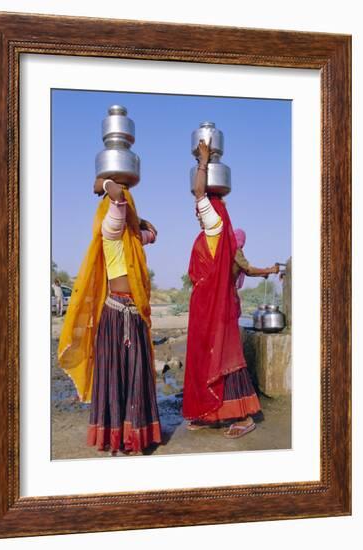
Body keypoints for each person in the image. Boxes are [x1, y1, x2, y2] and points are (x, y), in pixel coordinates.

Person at [58, 176, 162, 455]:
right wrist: (103, 184)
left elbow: (152, 233)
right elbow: (116, 198)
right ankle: (116, 438)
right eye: (126, 203)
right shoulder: (112, 229)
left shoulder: (131, 238)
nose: (126, 202)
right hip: (115, 314)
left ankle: (136, 436)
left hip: (135, 314)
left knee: (136, 377)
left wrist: (140, 221)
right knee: (115, 377)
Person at [182, 139, 279, 438]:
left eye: (202, 210)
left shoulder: (214, 223)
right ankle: (211, 413)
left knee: (226, 357)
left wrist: (203, 160)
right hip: (207, 305)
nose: (198, 213)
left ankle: (246, 414)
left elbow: (199, 192)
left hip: (217, 308)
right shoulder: (212, 229)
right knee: (206, 356)